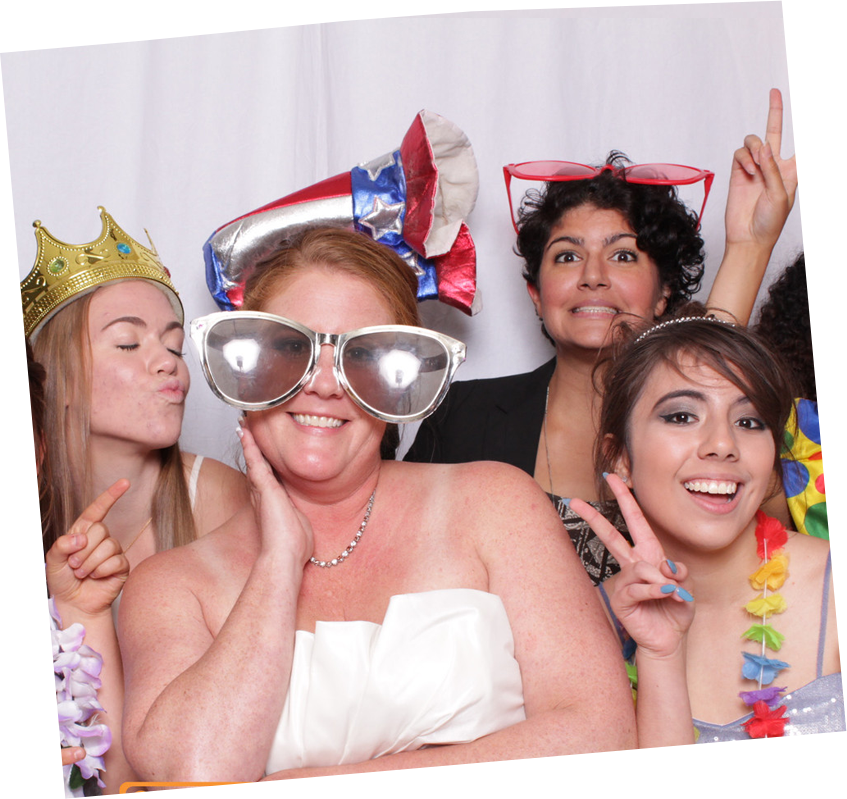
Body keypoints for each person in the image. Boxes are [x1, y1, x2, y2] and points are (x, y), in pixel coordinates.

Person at [118, 226, 637, 798]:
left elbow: (600, 750)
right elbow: (193, 786)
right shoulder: (169, 587)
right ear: (249, 367)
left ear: (403, 380)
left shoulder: (494, 506)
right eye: (291, 349)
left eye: (361, 357)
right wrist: (280, 561)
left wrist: (301, 792)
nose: (323, 385)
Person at [406, 90, 841, 584]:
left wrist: (751, 244)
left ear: (663, 294)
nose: (593, 276)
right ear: (535, 293)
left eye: (624, 255)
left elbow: (709, 368)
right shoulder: (462, 414)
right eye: (567, 256)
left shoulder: (726, 435)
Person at [569, 312, 847, 798]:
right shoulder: (578, 629)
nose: (723, 444)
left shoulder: (841, 585)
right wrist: (659, 653)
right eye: (681, 416)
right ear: (620, 459)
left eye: (749, 421)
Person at [0, 207, 250, 570]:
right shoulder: (10, 495)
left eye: (174, 346)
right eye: (128, 343)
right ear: (57, 377)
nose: (169, 362)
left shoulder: (227, 500)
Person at [0, 319, 131, 799]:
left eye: (0, 443)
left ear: (35, 459)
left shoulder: (45, 605)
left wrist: (84, 615)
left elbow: (124, 789)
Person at [756, 236, 847, 544]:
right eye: (840, 324)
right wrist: (749, 245)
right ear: (814, 362)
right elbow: (700, 380)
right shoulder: (796, 477)